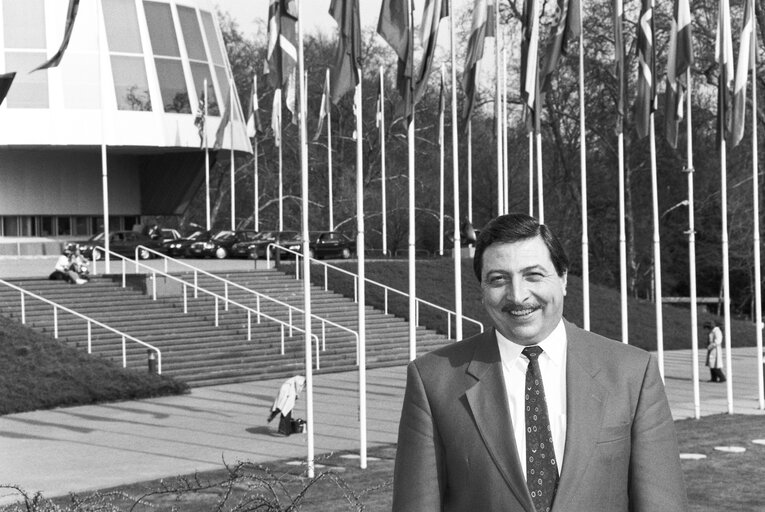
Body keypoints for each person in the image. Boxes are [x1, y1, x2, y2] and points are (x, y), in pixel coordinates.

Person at [392, 213, 687, 512]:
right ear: (481, 289)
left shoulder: (632, 373)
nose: (518, 296)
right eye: (498, 279)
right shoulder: (433, 380)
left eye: (533, 275)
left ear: (563, 279)